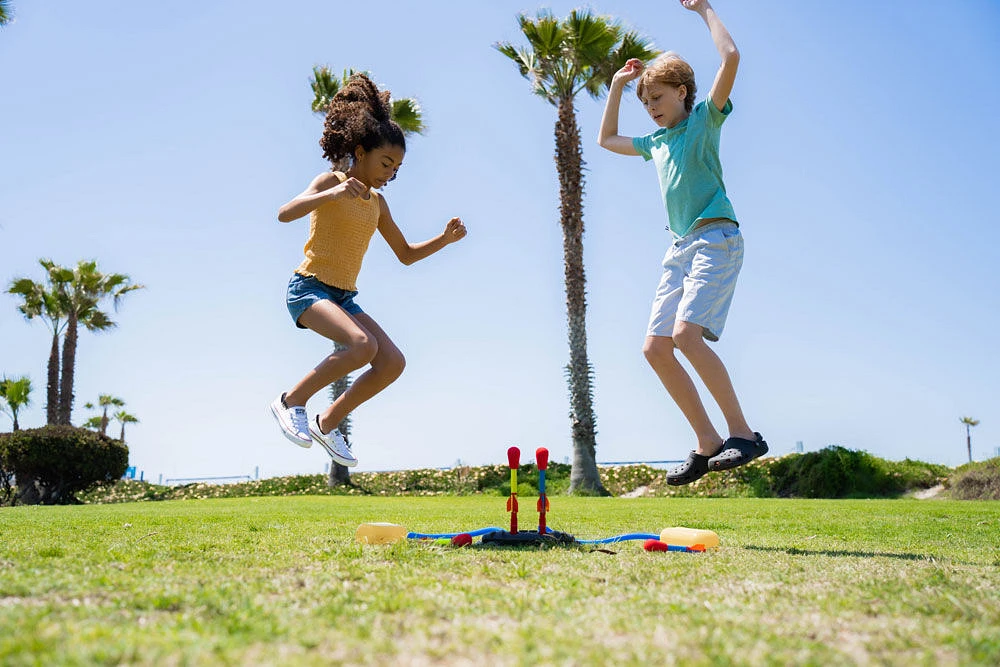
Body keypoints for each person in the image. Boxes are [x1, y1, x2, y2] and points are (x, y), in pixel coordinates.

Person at [597, 0, 765, 485]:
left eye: (658, 100)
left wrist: (704, 10)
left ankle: (743, 434)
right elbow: (607, 139)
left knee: (686, 337)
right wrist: (617, 87)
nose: (651, 110)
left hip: (716, 239)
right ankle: (707, 442)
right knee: (655, 348)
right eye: (646, 104)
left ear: (683, 92)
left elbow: (730, 59)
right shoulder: (657, 144)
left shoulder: (704, 121)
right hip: (678, 250)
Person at [270, 72, 466, 467]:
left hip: (343, 297)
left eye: (396, 167)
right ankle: (290, 401)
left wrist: (444, 240)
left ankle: (327, 424)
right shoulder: (332, 180)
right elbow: (283, 214)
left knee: (391, 362)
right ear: (360, 151)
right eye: (386, 162)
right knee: (362, 346)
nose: (390, 172)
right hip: (308, 289)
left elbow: (406, 254)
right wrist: (334, 191)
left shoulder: (377, 204)